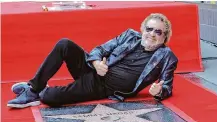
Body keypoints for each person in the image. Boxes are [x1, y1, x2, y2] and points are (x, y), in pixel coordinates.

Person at [7, 13, 178, 108]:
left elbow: (167, 87)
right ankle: (33, 88)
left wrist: (159, 92)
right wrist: (96, 63)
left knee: (49, 96)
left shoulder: (167, 56)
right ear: (142, 29)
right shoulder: (129, 35)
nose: (152, 34)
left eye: (158, 32)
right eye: (149, 29)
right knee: (64, 44)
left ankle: (41, 92)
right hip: (94, 71)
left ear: (165, 37)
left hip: (102, 87)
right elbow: (99, 50)